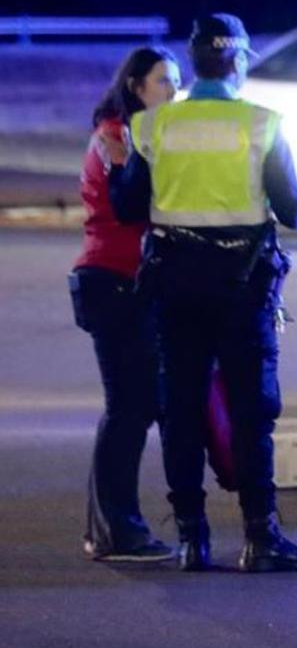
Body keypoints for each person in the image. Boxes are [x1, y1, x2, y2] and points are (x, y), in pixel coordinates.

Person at [107, 14, 297, 571]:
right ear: (240, 61)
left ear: (195, 61)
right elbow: (293, 208)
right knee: (252, 413)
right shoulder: (263, 123)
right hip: (241, 286)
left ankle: (191, 540)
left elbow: (129, 207)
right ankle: (260, 536)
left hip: (175, 283)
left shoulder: (155, 126)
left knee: (181, 409)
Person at [72, 46, 180, 562]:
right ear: (137, 86)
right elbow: (126, 202)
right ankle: (117, 530)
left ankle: (108, 527)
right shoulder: (118, 135)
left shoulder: (138, 134)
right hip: (112, 282)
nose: (173, 91)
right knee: (129, 409)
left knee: (131, 408)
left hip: (124, 282)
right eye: (164, 81)